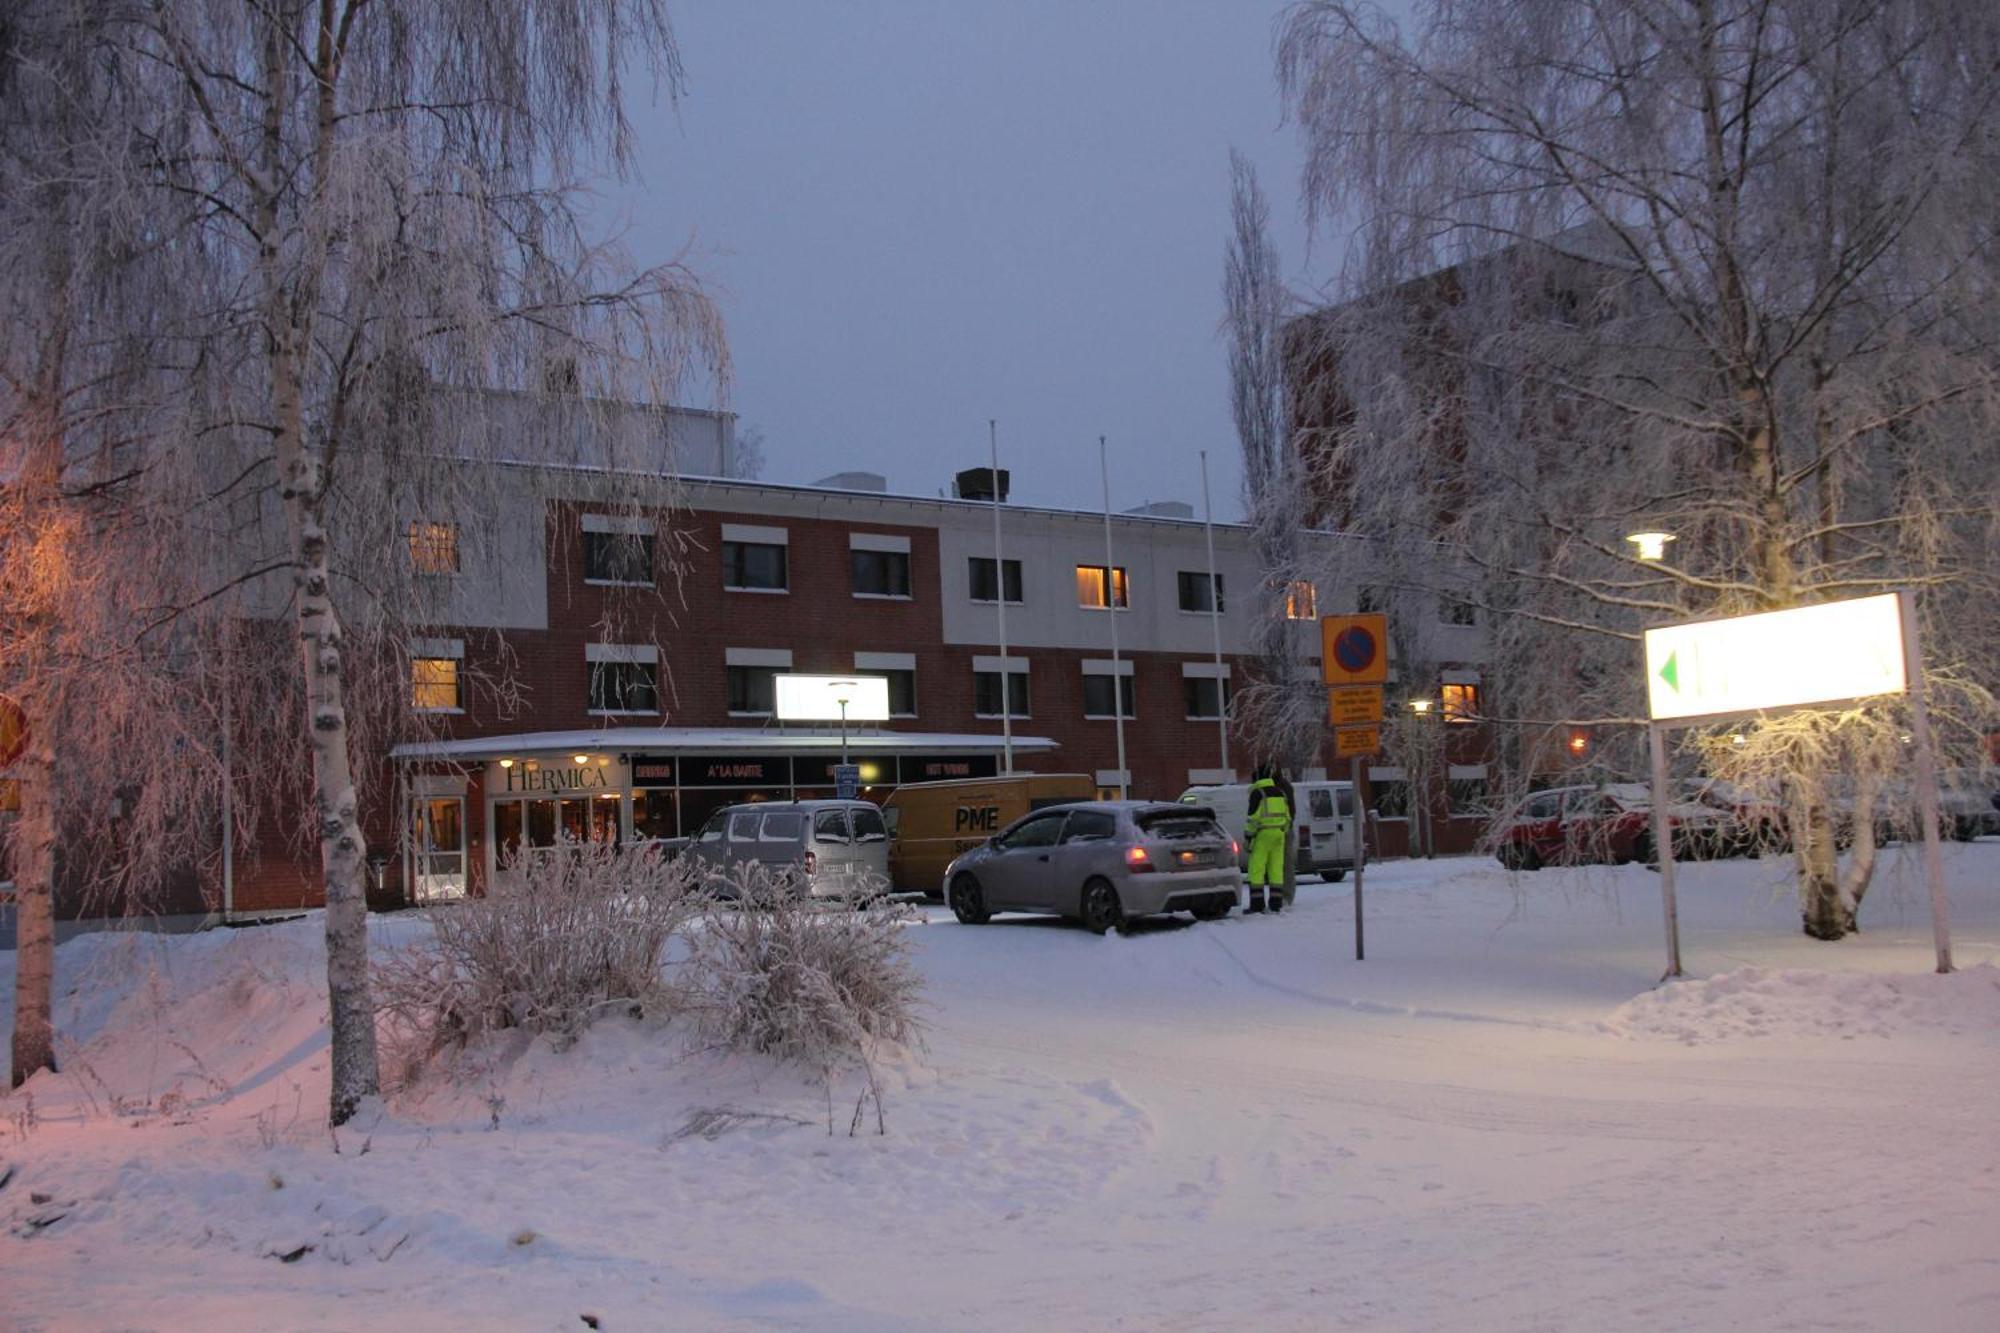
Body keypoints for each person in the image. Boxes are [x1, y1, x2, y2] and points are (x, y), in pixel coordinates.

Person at [1243, 764, 1291, 914]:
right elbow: (1288, 818)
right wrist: (1283, 831)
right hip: (1279, 834)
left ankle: (1257, 905)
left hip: (1262, 834)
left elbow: (1252, 819)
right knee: (1276, 868)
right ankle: (1276, 903)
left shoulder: (1257, 793)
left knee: (1257, 869)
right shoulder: (1281, 793)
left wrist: (1248, 837)